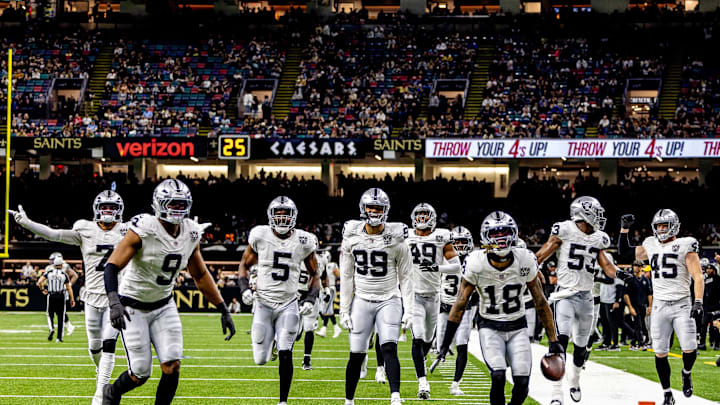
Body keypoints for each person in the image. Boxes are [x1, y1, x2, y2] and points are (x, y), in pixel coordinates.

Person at [102, 179, 235, 405]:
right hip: (132, 306)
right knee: (140, 373)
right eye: (172, 204)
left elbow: (200, 275)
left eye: (181, 204)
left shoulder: (191, 232)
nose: (176, 209)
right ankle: (112, 392)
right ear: (159, 203)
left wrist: (223, 308)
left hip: (164, 305)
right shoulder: (144, 227)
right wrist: (114, 301)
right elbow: (112, 265)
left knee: (172, 366)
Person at [10, 190, 128, 405]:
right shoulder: (85, 229)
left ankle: (100, 394)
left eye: (112, 208)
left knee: (109, 343)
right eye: (105, 208)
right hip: (91, 296)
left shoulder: (128, 230)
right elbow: (53, 234)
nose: (108, 212)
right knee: (94, 345)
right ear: (97, 210)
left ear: (119, 210)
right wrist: (26, 223)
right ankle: (99, 371)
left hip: (115, 296)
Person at [434, 211, 563, 405]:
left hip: (518, 326)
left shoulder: (525, 259)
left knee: (522, 384)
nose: (501, 238)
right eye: (495, 233)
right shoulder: (476, 262)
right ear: (486, 236)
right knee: (498, 376)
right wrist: (445, 342)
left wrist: (553, 340)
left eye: (505, 232)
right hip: (490, 326)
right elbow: (460, 304)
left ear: (514, 234)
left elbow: (541, 302)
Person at [535, 196, 630, 405]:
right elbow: (542, 254)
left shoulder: (598, 238)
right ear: (583, 213)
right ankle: (556, 392)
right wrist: (532, 267)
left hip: (587, 296)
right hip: (565, 295)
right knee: (560, 341)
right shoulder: (564, 230)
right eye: (596, 212)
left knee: (581, 346)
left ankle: (575, 381)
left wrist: (622, 274)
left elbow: (606, 265)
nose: (599, 218)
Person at [238, 196, 320, 405]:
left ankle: (283, 401)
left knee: (286, 351)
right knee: (260, 359)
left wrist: (310, 298)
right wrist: (244, 288)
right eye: (278, 213)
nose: (282, 218)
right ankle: (271, 342)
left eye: (286, 214)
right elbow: (244, 266)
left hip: (288, 303)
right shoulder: (260, 235)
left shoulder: (304, 240)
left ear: (293, 216)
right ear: (271, 216)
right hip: (263, 302)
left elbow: (315, 274)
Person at [618, 209, 705, 405]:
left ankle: (686, 372)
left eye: (665, 225)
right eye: (658, 225)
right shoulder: (651, 244)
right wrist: (624, 229)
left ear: (674, 225)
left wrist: (698, 301)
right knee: (660, 352)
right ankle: (667, 393)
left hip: (682, 303)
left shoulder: (685, 244)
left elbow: (698, 276)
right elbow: (625, 252)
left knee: (690, 348)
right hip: (660, 305)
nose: (661, 229)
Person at [340, 188, 413, 405]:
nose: (374, 211)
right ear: (363, 209)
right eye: (370, 207)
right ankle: (349, 400)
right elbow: (346, 276)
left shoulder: (397, 237)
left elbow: (406, 276)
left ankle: (395, 397)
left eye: (378, 208)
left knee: (389, 346)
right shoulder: (351, 236)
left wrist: (409, 309)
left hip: (389, 298)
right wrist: (344, 309)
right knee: (356, 353)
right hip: (361, 299)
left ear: (385, 210)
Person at [406, 202, 460, 399]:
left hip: (434, 295)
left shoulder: (442, 236)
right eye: (418, 215)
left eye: (424, 215)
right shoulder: (406, 235)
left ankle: (423, 364)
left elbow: (456, 266)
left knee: (428, 338)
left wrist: (437, 268)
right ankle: (423, 383)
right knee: (418, 337)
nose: (421, 219)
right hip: (414, 295)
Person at [435, 225, 474, 396]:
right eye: (455, 242)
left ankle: (455, 384)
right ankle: (421, 375)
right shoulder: (444, 259)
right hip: (444, 307)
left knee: (462, 346)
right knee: (435, 344)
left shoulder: (474, 260)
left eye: (462, 242)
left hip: (464, 309)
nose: (458, 245)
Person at [297, 252, 328, 370]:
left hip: (313, 295)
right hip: (297, 294)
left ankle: (306, 360)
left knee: (309, 328)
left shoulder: (322, 259)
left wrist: (327, 289)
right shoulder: (297, 255)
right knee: (295, 333)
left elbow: (324, 276)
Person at [37, 256, 75, 342]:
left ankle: (51, 328)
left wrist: (42, 289)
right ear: (61, 265)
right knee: (61, 316)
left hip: (51, 295)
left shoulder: (49, 272)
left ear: (54, 264)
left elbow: (39, 282)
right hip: (61, 296)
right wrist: (72, 299)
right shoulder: (64, 274)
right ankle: (59, 338)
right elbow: (69, 288)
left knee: (50, 314)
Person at [624, 260, 653, 350]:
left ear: (641, 267)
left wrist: (650, 306)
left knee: (642, 324)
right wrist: (630, 307)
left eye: (638, 266)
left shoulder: (645, 280)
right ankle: (641, 343)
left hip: (642, 304)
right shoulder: (630, 279)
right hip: (634, 304)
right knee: (638, 324)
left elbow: (649, 294)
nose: (636, 267)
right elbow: (626, 294)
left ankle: (633, 342)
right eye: (635, 265)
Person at [597, 264, 624, 351]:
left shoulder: (616, 271)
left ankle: (615, 344)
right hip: (603, 299)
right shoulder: (604, 270)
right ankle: (606, 342)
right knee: (604, 322)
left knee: (612, 323)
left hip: (611, 301)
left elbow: (616, 284)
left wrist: (617, 301)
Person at [317, 251, 342, 339]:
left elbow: (339, 275)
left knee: (326, 309)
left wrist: (338, 281)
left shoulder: (332, 265)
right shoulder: (320, 264)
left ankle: (323, 329)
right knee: (328, 310)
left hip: (331, 288)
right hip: (323, 289)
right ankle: (336, 328)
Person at [701, 257, 720, 350]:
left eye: (710, 269)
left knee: (715, 326)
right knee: (704, 325)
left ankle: (716, 344)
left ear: (714, 270)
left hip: (716, 305)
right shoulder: (705, 279)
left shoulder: (718, 279)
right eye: (707, 269)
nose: (708, 270)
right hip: (706, 306)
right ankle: (702, 343)